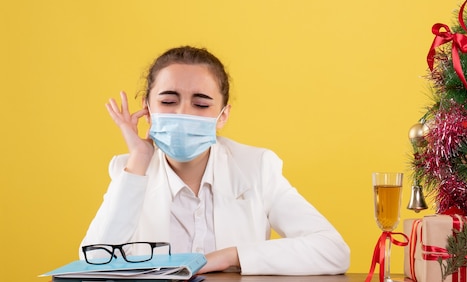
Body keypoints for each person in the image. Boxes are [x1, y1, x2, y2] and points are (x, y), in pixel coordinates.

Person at [80, 45, 350, 275]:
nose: (183, 113)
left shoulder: (256, 168)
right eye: (168, 101)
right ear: (147, 110)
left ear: (222, 115)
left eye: (201, 104)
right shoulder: (128, 172)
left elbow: (333, 251)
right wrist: (139, 159)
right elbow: (92, 262)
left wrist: (231, 256)